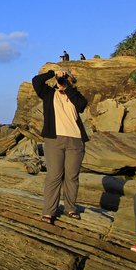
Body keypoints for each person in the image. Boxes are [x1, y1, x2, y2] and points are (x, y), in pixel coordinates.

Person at [32, 68, 88, 223]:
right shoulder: (49, 94)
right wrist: (52, 73)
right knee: (54, 175)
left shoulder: (75, 95)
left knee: (72, 176)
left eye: (67, 78)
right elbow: (36, 81)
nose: (63, 80)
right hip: (54, 139)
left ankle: (70, 208)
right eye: (62, 78)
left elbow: (82, 105)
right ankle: (49, 211)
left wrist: (67, 88)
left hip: (76, 139)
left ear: (71, 80)